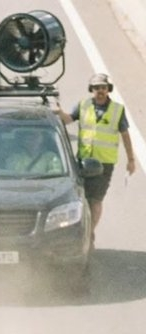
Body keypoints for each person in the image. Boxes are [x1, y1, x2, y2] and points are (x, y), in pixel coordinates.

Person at [57, 73, 136, 247]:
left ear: (108, 90)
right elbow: (68, 119)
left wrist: (131, 159)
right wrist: (59, 112)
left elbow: (125, 135)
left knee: (96, 200)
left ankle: (89, 233)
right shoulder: (83, 105)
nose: (100, 91)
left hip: (104, 164)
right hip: (83, 162)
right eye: (97, 88)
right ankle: (80, 230)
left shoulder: (117, 110)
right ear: (91, 89)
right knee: (81, 198)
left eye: (103, 88)